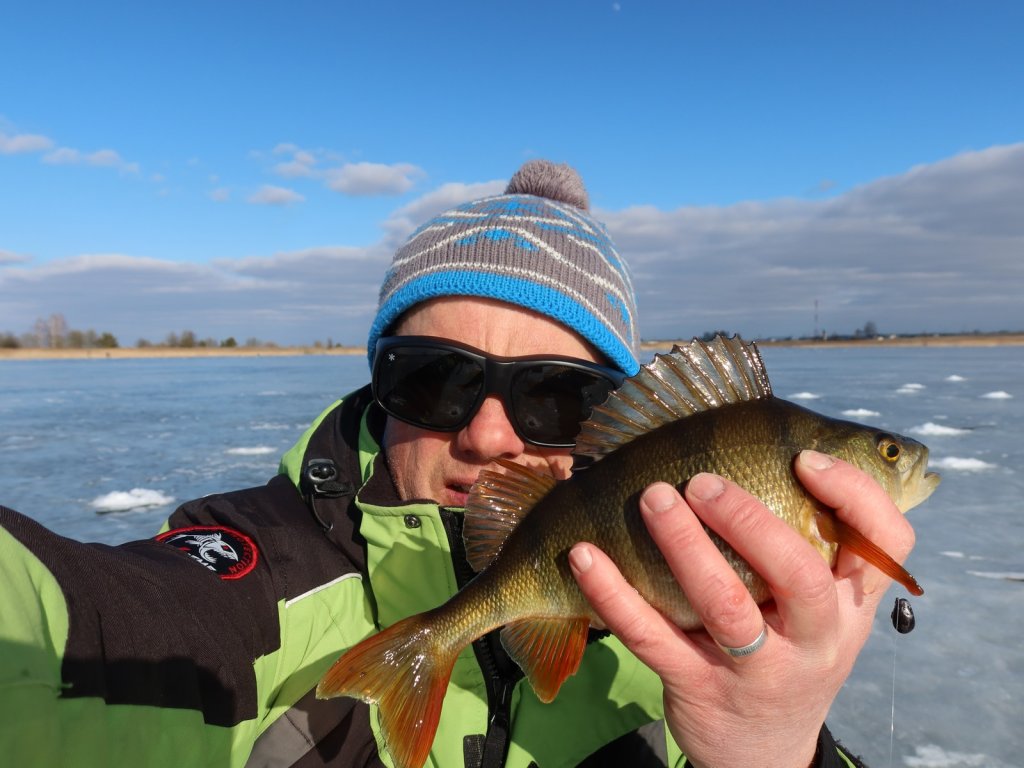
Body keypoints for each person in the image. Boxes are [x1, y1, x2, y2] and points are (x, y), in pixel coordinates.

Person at [0, 160, 915, 767]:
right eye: (435, 379)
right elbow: (68, 618)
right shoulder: (254, 571)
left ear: (622, 425)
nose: (487, 436)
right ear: (378, 386)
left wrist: (776, 745)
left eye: (556, 398)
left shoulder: (699, 656)